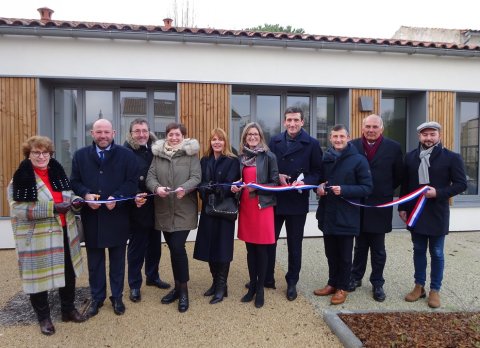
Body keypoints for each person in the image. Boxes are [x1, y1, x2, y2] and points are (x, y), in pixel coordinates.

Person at [7, 136, 86, 335]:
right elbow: (18, 209)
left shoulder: (57, 173)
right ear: (29, 154)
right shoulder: (20, 178)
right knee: (38, 279)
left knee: (68, 272)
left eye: (45, 153)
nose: (41, 156)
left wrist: (76, 200)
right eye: (36, 152)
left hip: (65, 232)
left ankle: (68, 310)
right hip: (37, 237)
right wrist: (52, 208)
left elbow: (68, 194)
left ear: (50, 155)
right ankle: (44, 318)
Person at [70, 119, 139, 317]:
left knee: (117, 261)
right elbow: (74, 180)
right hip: (92, 217)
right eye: (99, 132)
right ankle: (97, 297)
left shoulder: (126, 155)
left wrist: (117, 197)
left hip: (117, 216)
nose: (103, 136)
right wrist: (85, 194)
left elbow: (132, 181)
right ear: (92, 133)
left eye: (106, 132)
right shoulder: (80, 155)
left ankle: (117, 297)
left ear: (114, 133)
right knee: (95, 262)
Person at [398, 121, 466, 308]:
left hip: (437, 212)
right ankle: (419, 287)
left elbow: (461, 184)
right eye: (424, 134)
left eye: (432, 134)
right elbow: (405, 185)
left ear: (439, 136)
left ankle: (435, 290)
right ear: (419, 136)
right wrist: (402, 207)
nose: (428, 138)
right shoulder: (411, 157)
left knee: (436, 253)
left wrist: (439, 193)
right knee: (418, 250)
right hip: (416, 213)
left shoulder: (452, 158)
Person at [265, 106, 322, 301]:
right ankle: (267, 276)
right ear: (284, 122)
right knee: (269, 241)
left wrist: (305, 182)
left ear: (302, 122)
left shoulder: (312, 144)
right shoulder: (275, 141)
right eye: (289, 120)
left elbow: (317, 172)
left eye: (296, 120)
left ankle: (291, 282)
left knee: (294, 244)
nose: (292, 124)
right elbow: (267, 168)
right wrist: (277, 175)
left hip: (297, 202)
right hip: (276, 200)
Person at [313, 124, 373, 305]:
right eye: (335, 137)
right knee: (330, 253)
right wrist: (319, 188)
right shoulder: (326, 158)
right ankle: (332, 283)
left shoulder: (358, 160)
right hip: (328, 214)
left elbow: (367, 188)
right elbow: (319, 180)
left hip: (347, 216)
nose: (338, 140)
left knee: (345, 256)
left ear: (348, 138)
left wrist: (344, 190)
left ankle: (343, 287)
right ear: (330, 139)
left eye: (341, 137)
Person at [146, 122, 201, 313]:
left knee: (178, 247)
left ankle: (184, 291)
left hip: (183, 209)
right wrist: (156, 188)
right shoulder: (158, 155)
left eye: (178, 135)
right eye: (171, 134)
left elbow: (196, 177)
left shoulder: (190, 155)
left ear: (184, 136)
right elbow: (150, 177)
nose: (174, 138)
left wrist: (184, 188)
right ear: (166, 136)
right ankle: (177, 288)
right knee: (173, 249)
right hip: (163, 209)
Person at [348, 114, 403, 302]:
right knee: (360, 245)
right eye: (368, 126)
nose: (371, 130)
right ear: (362, 127)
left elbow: (398, 176)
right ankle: (355, 277)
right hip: (359, 204)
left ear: (381, 129)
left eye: (375, 127)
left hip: (380, 204)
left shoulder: (394, 147)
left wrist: (384, 189)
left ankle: (377, 283)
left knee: (378, 248)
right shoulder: (352, 145)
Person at [232, 122, 279, 309]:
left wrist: (258, 187)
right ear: (245, 137)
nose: (252, 137)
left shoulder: (269, 156)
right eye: (249, 134)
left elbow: (275, 182)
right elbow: (238, 181)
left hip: (262, 206)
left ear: (260, 136)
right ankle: (251, 285)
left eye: (255, 134)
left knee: (261, 250)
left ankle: (260, 288)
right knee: (250, 249)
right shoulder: (240, 157)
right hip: (246, 206)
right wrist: (235, 188)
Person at [124, 118, 171, 304]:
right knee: (137, 247)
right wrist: (134, 194)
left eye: (144, 130)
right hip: (138, 205)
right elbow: (123, 179)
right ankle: (135, 284)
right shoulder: (125, 152)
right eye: (137, 131)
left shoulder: (156, 149)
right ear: (131, 133)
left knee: (154, 244)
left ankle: (153, 276)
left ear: (149, 131)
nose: (141, 134)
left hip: (156, 204)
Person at [194, 128, 240, 304]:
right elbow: (201, 183)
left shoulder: (232, 160)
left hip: (224, 210)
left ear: (225, 142)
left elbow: (229, 183)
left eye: (220, 139)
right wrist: (206, 188)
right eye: (214, 139)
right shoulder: (204, 160)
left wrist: (215, 188)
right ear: (210, 142)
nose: (217, 142)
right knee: (209, 247)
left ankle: (222, 286)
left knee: (222, 248)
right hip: (208, 209)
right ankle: (215, 282)